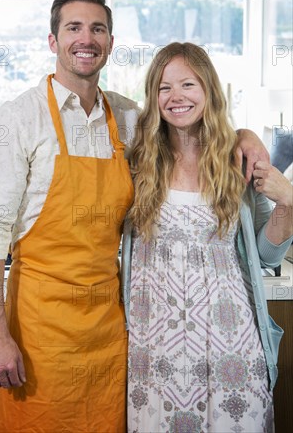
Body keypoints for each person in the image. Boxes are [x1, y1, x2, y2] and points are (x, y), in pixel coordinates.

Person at [0, 0, 269, 433]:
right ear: (53, 41)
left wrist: (244, 133)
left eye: (98, 28)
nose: (86, 38)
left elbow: (190, 118)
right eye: (73, 28)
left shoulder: (128, 119)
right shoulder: (18, 120)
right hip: (39, 333)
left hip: (111, 333)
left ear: (109, 42)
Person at [122, 42, 293, 433]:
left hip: (230, 347)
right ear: (153, 96)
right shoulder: (137, 161)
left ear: (209, 91)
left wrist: (289, 201)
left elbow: (266, 255)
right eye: (164, 88)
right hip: (155, 349)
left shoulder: (239, 162)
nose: (176, 96)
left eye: (188, 84)